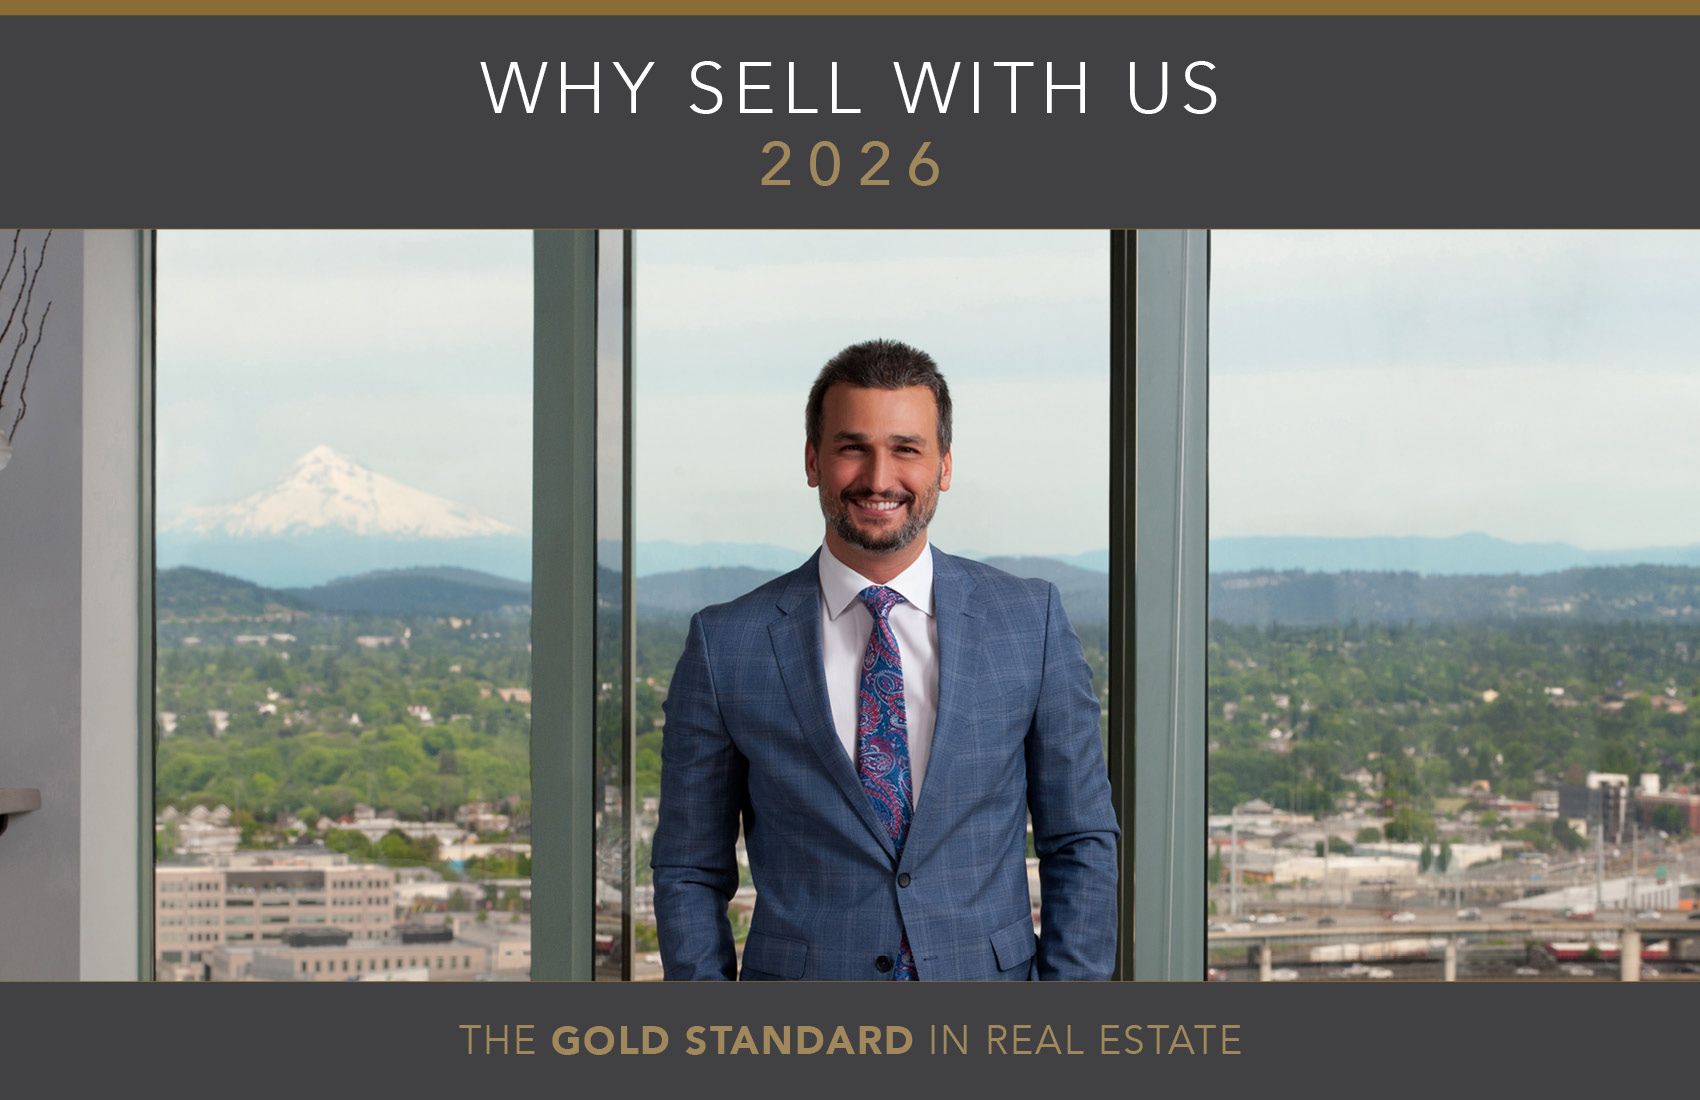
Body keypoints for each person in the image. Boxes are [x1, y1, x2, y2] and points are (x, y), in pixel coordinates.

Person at [651, 338, 1118, 981]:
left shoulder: (1029, 624)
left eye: (906, 449)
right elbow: (687, 868)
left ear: (944, 465)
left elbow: (1082, 839)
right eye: (852, 448)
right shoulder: (725, 644)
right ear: (814, 461)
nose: (878, 478)